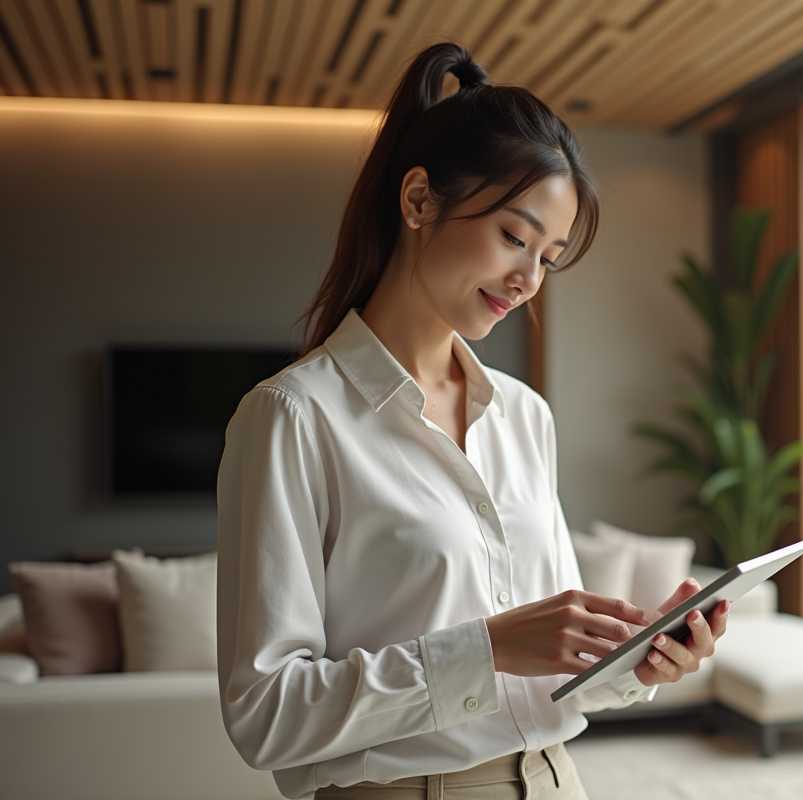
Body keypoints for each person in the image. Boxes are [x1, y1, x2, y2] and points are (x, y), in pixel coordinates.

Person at [215, 42, 729, 800]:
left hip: (557, 781)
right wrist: (484, 649)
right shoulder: (294, 419)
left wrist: (633, 666)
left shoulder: (524, 416)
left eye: (549, 257)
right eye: (514, 238)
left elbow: (550, 681)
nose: (527, 280)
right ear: (418, 200)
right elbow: (264, 714)